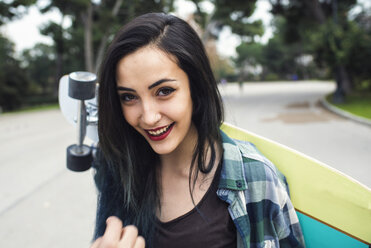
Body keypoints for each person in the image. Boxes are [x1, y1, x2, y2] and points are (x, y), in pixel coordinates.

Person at [91, 13, 305, 248]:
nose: (149, 117)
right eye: (129, 97)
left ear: (196, 87)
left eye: (164, 91)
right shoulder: (119, 169)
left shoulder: (256, 178)